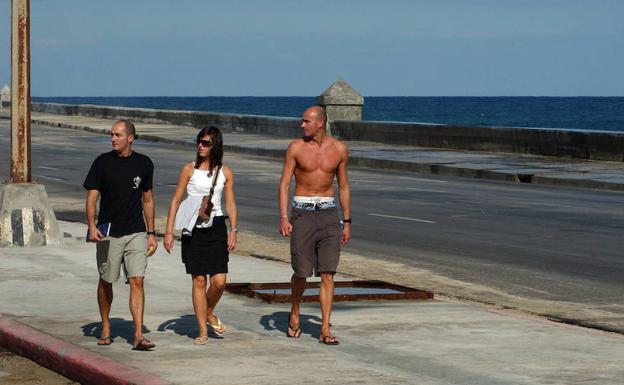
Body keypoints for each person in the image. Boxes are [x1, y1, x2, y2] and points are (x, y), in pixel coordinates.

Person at [278, 105, 351, 345]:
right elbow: (284, 183)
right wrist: (284, 217)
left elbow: (344, 186)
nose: (302, 125)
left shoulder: (339, 149)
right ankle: (295, 311)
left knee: (328, 273)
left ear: (320, 123)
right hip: (303, 213)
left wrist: (347, 221)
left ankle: (325, 328)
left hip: (329, 214)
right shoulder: (296, 148)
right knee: (301, 272)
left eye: (306, 121)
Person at [84, 119, 158, 351]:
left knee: (137, 280)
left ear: (130, 138)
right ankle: (106, 325)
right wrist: (91, 225)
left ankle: (138, 334)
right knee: (107, 280)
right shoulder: (102, 163)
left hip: (136, 231)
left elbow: (147, 199)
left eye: (118, 135)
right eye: (112, 134)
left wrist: (151, 232)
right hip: (109, 233)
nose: (113, 138)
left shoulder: (144, 164)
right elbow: (92, 198)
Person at [163, 126, 238, 345]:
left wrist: (234, 230)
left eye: (206, 143)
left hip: (216, 227)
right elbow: (175, 201)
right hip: (193, 227)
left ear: (216, 146)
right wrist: (168, 232)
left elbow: (231, 203)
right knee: (198, 280)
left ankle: (208, 311)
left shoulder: (225, 172)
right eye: (199, 141)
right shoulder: (188, 169)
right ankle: (202, 330)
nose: (200, 146)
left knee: (219, 282)